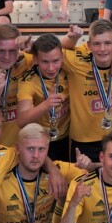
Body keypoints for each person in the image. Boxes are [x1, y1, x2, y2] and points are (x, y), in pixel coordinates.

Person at [62, 20, 112, 162]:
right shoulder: (77, 61)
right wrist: (70, 38)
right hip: (83, 141)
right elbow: (49, 50)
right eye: (97, 44)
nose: (102, 49)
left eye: (107, 43)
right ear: (89, 45)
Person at [15, 34, 73, 163]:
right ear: (35, 59)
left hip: (68, 139)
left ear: (62, 57)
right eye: (45, 62)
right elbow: (21, 120)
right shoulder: (28, 81)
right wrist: (46, 105)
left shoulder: (69, 69)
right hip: (40, 142)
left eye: (55, 61)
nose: (51, 68)